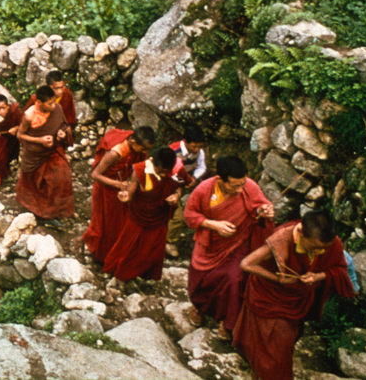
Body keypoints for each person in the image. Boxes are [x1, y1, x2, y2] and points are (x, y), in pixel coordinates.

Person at [235, 211, 355, 380]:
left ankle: (261, 372)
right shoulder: (281, 240)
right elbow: (246, 264)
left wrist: (317, 276)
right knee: (276, 348)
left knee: (286, 341)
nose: (320, 251)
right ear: (300, 232)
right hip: (269, 296)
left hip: (299, 298)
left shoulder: (330, 242)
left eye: (323, 248)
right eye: (313, 247)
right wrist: (279, 279)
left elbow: (338, 268)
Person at [185, 155, 276, 340]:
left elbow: (258, 206)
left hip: (239, 241)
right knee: (200, 276)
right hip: (211, 243)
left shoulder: (249, 186)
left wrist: (264, 211)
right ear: (220, 179)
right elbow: (189, 214)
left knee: (234, 279)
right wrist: (212, 224)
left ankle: (227, 323)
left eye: (242, 183)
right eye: (234, 186)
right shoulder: (204, 190)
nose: (240, 189)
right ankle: (199, 308)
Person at [104, 147, 187, 281]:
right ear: (153, 162)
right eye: (160, 170)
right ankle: (115, 270)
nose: (164, 173)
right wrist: (125, 197)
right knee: (127, 245)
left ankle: (144, 274)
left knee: (152, 250)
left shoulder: (176, 169)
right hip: (138, 215)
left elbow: (181, 185)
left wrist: (177, 195)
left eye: (167, 171)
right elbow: (131, 191)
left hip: (159, 217)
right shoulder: (140, 169)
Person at [82, 126, 156, 264]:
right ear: (133, 141)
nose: (146, 152)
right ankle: (97, 254)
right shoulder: (116, 153)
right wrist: (117, 184)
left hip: (121, 188)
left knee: (119, 224)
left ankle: (114, 255)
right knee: (104, 225)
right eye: (144, 148)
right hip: (105, 190)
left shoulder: (135, 147)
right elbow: (95, 174)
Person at [15, 85, 75, 223]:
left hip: (54, 150)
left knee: (61, 177)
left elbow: (64, 125)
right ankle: (36, 209)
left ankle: (53, 211)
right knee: (36, 182)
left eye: (54, 101)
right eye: (50, 103)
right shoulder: (29, 115)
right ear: (39, 103)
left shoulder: (57, 109)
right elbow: (20, 134)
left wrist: (62, 132)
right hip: (35, 154)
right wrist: (39, 140)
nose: (54, 106)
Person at [167, 124, 210, 258]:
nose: (197, 149)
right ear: (185, 141)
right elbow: (167, 173)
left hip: (188, 183)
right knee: (179, 217)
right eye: (194, 146)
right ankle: (170, 241)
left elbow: (202, 167)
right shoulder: (172, 152)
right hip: (170, 185)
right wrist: (181, 185)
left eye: (199, 146)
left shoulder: (199, 152)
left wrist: (194, 178)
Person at [0, 94, 23, 187]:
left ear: (8, 106)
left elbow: (23, 124)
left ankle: (7, 168)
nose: (1, 111)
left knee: (10, 154)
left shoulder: (15, 111)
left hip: (12, 137)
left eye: (4, 108)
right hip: (0, 137)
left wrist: (16, 128)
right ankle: (0, 174)